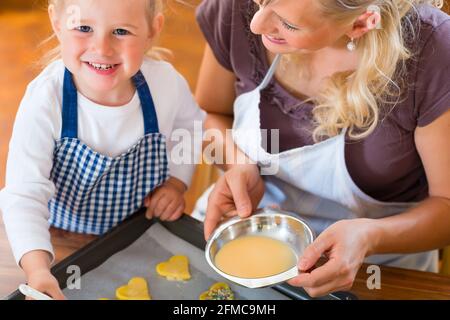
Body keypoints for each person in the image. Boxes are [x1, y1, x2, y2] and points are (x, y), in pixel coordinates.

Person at [193, 0, 450, 297]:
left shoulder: (434, 53)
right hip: (243, 230)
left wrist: (370, 237)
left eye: (289, 24)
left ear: (360, 23)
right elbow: (210, 114)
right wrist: (237, 163)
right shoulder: (238, 6)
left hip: (377, 268)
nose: (256, 24)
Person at [0, 0, 204, 299]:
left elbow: (189, 129)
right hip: (58, 236)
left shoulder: (166, 84)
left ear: (152, 30)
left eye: (121, 31)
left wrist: (177, 181)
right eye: (84, 28)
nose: (102, 48)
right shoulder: (46, 100)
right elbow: (24, 193)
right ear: (57, 22)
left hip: (137, 230)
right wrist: (38, 270)